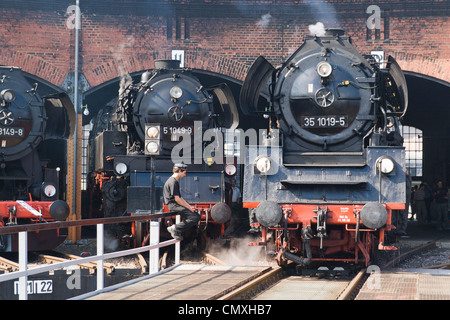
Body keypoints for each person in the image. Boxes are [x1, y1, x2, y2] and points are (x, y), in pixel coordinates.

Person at [164, 163, 200, 240]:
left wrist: (190, 207)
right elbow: (177, 199)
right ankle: (174, 229)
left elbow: (180, 198)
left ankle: (176, 229)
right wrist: (189, 207)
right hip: (173, 205)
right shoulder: (173, 182)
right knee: (194, 217)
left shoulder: (172, 181)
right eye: (184, 173)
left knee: (195, 215)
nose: (185, 175)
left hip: (175, 204)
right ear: (179, 171)